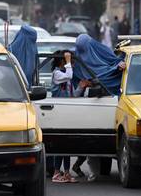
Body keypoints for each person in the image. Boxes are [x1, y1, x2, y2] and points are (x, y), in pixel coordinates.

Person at [51, 50, 91, 183]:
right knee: (59, 145)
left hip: (67, 113)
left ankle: (66, 173)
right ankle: (57, 172)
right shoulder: (57, 74)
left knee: (66, 145)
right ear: (62, 61)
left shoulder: (66, 78)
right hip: (58, 113)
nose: (72, 64)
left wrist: (80, 87)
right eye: (69, 61)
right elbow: (69, 75)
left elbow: (71, 97)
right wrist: (68, 61)